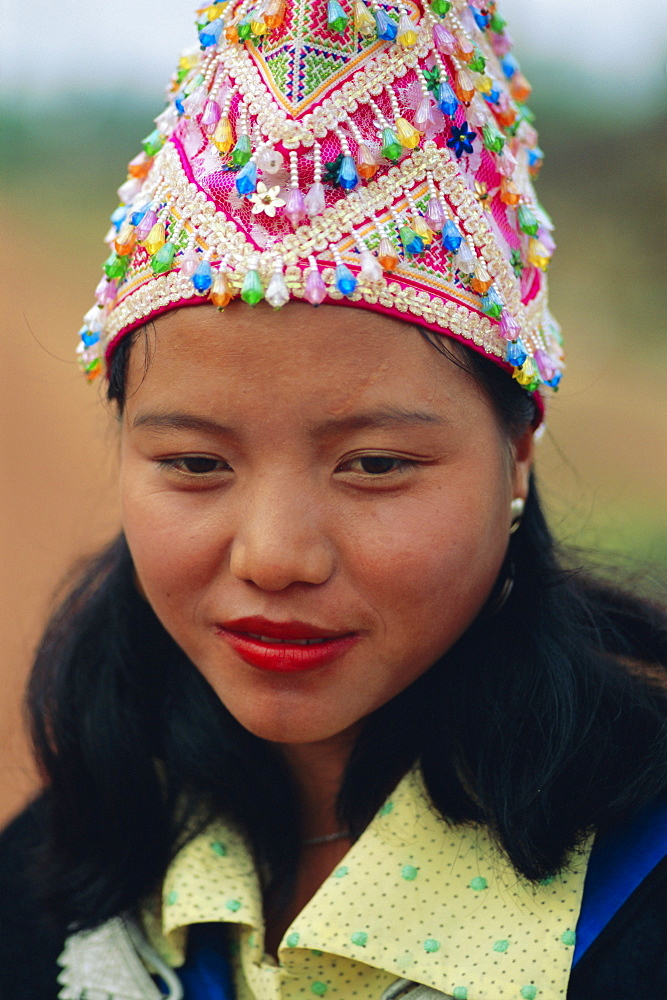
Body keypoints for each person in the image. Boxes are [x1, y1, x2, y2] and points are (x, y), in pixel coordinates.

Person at [1, 1, 665, 998]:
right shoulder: (68, 872)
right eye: (194, 464)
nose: (274, 556)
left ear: (518, 450)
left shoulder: (636, 890)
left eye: (375, 464)